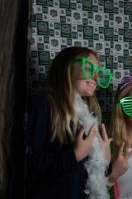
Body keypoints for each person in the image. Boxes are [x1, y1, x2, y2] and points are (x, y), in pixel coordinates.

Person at [26, 47, 114, 199]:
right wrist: (75, 155)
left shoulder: (86, 115)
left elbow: (86, 176)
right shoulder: (42, 104)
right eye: (88, 68)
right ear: (67, 68)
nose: (96, 77)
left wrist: (105, 161)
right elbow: (28, 164)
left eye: (98, 72)